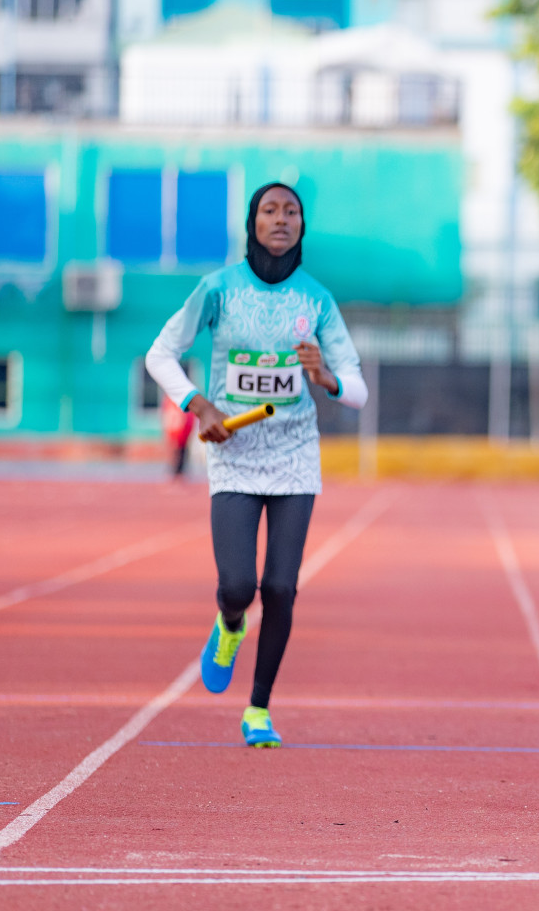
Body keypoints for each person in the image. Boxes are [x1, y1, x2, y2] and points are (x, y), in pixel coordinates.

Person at [145, 182, 367, 746]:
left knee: (283, 588)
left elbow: (357, 389)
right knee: (239, 584)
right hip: (235, 455)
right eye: (270, 210)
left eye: (291, 211)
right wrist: (199, 405)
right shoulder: (216, 289)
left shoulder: (317, 300)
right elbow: (159, 355)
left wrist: (326, 378)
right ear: (253, 222)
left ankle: (259, 708)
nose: (281, 219)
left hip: (294, 458)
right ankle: (229, 624)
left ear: (301, 226)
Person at [162, 394, 196, 480]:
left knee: (181, 451)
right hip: (176, 429)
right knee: (176, 450)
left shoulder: (183, 400)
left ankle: (179, 470)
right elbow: (170, 415)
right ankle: (175, 470)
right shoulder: (172, 401)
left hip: (181, 430)